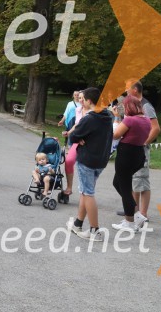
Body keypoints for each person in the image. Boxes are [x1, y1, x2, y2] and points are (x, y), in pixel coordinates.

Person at [67, 87, 113, 242]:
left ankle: (95, 231)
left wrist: (77, 137)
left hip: (87, 159)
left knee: (88, 193)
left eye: (83, 98)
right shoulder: (107, 115)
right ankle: (77, 224)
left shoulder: (90, 118)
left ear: (89, 101)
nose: (81, 101)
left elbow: (72, 136)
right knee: (85, 191)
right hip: (101, 160)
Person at [121, 80, 160, 227]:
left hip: (140, 148)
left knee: (141, 179)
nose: (125, 91)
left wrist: (144, 143)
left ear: (135, 90)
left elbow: (155, 128)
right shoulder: (134, 105)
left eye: (127, 88)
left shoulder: (145, 106)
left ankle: (143, 214)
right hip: (132, 149)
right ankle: (133, 210)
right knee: (134, 180)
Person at [111, 96, 151, 232]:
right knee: (118, 183)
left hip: (126, 155)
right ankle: (137, 215)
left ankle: (129, 221)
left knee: (125, 188)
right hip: (138, 154)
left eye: (124, 106)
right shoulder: (146, 119)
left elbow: (115, 135)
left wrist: (116, 118)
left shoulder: (130, 120)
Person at [62, 90, 86, 197]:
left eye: (82, 98)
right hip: (77, 141)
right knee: (69, 161)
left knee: (85, 167)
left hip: (88, 144)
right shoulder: (79, 109)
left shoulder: (94, 112)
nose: (80, 100)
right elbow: (76, 125)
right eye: (79, 98)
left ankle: (86, 191)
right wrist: (69, 132)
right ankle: (69, 187)